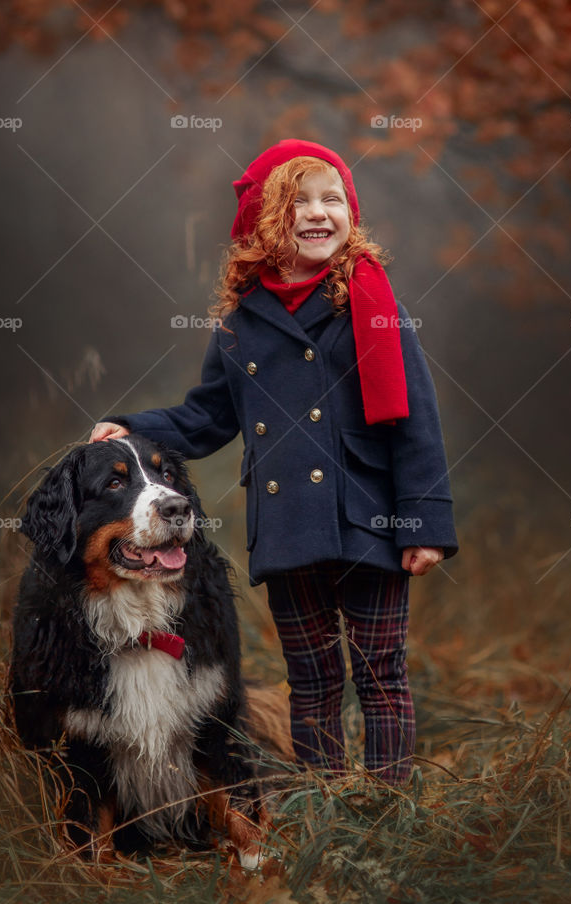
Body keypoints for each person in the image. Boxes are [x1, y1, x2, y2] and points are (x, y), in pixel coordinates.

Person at [89, 138, 458, 784]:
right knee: (311, 678)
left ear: (351, 213)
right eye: (298, 202)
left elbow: (417, 420)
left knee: (381, 671)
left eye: (333, 199)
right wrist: (135, 426)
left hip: (371, 518)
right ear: (264, 222)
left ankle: (389, 805)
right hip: (288, 525)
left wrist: (424, 523)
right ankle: (326, 800)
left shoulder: (370, 301)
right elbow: (206, 416)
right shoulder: (239, 321)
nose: (319, 213)